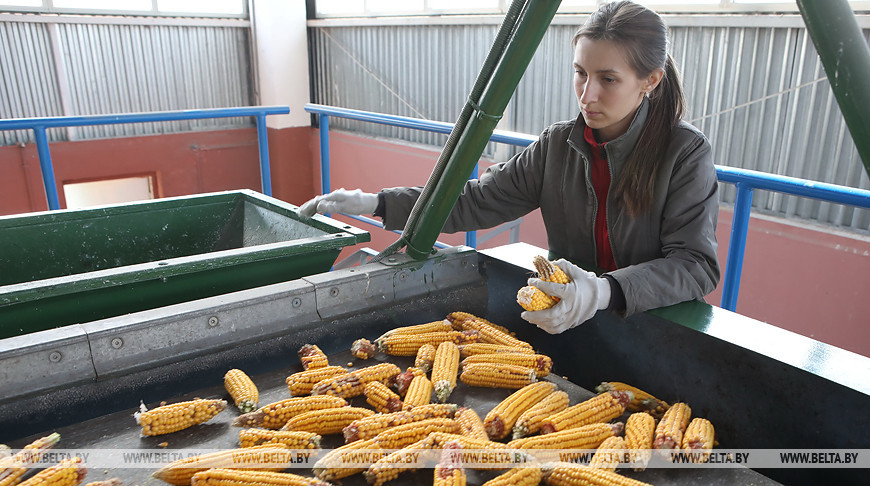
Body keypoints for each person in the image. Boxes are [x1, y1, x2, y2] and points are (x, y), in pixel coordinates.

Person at [300, 0, 720, 334]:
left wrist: (603, 290)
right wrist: (376, 202)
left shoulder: (684, 154)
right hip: (567, 323)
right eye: (580, 74)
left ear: (650, 80)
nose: (587, 95)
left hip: (660, 329)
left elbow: (694, 266)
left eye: (608, 79)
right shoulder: (558, 145)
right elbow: (475, 202)